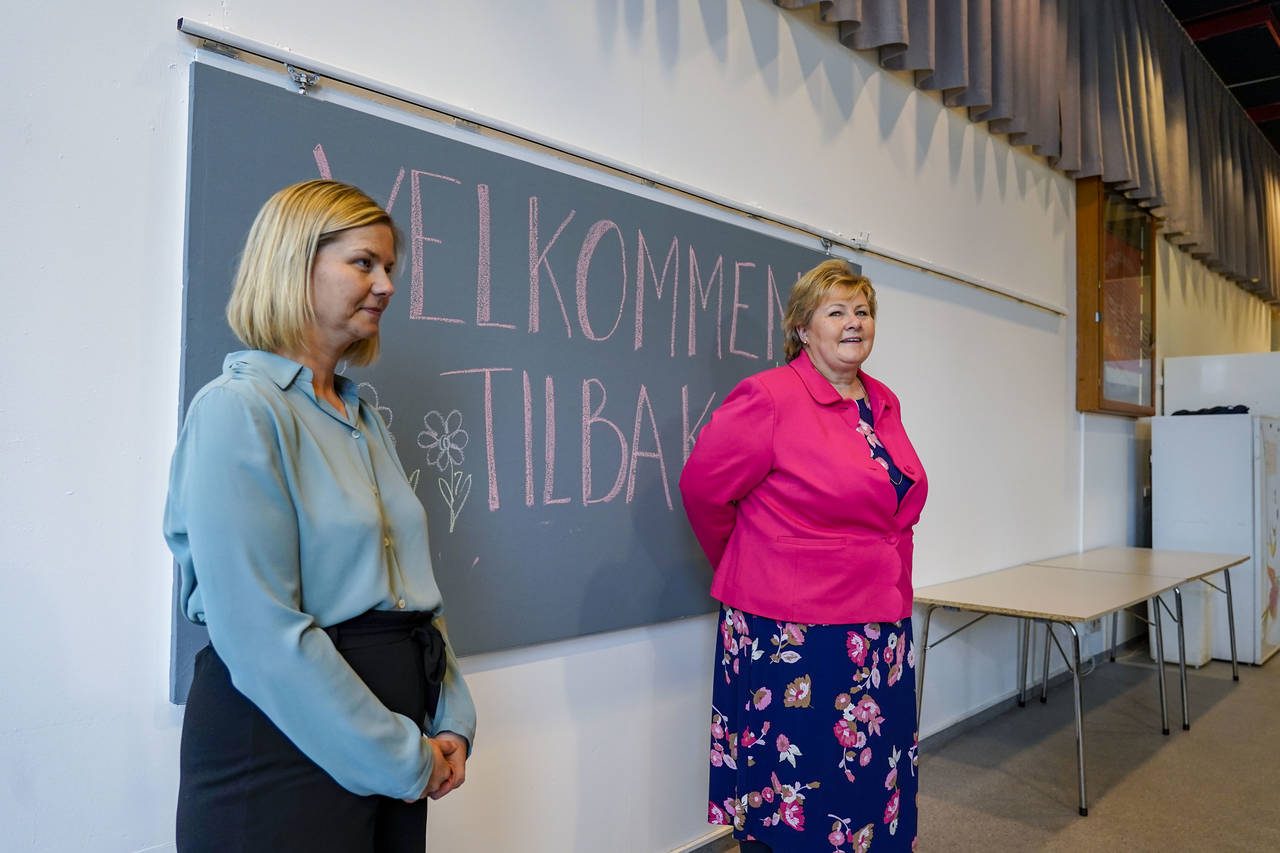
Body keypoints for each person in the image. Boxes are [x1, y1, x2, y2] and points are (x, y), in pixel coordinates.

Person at [164, 180, 476, 853]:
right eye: (364, 262)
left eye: (389, 267)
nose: (386, 285)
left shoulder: (362, 417)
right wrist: (402, 755)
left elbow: (409, 587)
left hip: (391, 743)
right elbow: (260, 635)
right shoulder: (238, 411)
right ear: (292, 263)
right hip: (281, 747)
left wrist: (450, 714)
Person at [679, 259, 927, 852]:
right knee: (799, 788)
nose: (852, 323)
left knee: (869, 781)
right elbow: (703, 491)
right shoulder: (768, 397)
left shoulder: (882, 402)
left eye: (862, 311)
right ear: (801, 328)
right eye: (835, 311)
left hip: (876, 628)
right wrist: (757, 561)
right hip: (792, 634)